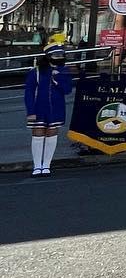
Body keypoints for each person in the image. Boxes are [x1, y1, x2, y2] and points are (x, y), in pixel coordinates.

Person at [24, 32, 71, 177]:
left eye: (61, 55)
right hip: (38, 108)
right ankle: (37, 165)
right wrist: (30, 111)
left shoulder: (64, 70)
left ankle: (47, 165)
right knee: (37, 135)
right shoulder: (35, 72)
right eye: (56, 55)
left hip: (56, 108)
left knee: (51, 134)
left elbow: (68, 90)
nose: (59, 58)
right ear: (48, 56)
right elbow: (29, 93)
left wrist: (58, 80)